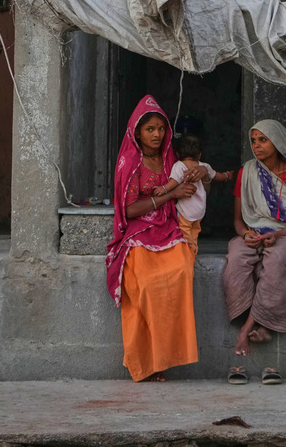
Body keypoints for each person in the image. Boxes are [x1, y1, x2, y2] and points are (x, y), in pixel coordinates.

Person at [104, 94, 207, 382]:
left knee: (181, 269)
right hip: (138, 230)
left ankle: (163, 358)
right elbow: (129, 209)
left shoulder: (170, 158)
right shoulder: (130, 162)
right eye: (150, 129)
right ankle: (146, 363)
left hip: (168, 227)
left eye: (161, 129)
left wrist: (202, 173)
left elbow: (199, 182)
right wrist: (170, 196)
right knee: (145, 285)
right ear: (136, 131)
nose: (157, 135)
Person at [222, 119, 286, 385]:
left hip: (285, 234)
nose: (256, 146)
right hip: (252, 234)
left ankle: (247, 330)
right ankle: (262, 327)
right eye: (254, 140)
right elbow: (237, 220)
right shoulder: (247, 172)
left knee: (278, 261)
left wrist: (276, 235)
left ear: (277, 142)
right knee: (235, 261)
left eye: (263, 140)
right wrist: (246, 234)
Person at [153, 132, 235, 257]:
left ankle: (188, 251)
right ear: (199, 154)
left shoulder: (179, 166)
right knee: (195, 230)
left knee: (184, 231)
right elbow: (218, 176)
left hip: (186, 209)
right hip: (199, 210)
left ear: (178, 154)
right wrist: (227, 176)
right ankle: (194, 247)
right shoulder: (204, 166)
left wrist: (163, 189)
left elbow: (173, 182)